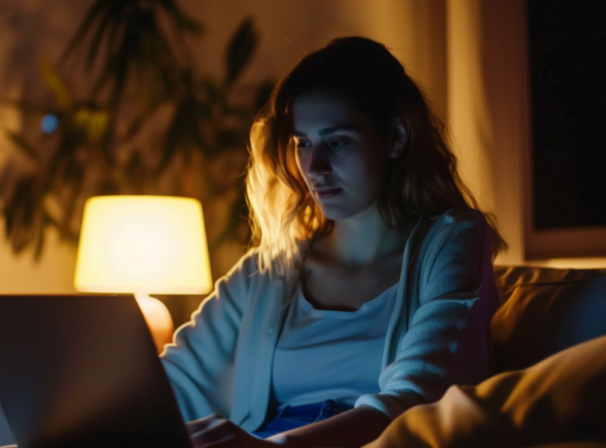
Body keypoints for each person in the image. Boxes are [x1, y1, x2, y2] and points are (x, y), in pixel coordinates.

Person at [160, 36, 506, 448]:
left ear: (395, 138)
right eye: (302, 143)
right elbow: (170, 386)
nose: (313, 167)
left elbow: (416, 401)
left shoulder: (454, 239)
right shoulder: (270, 269)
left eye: (337, 141)